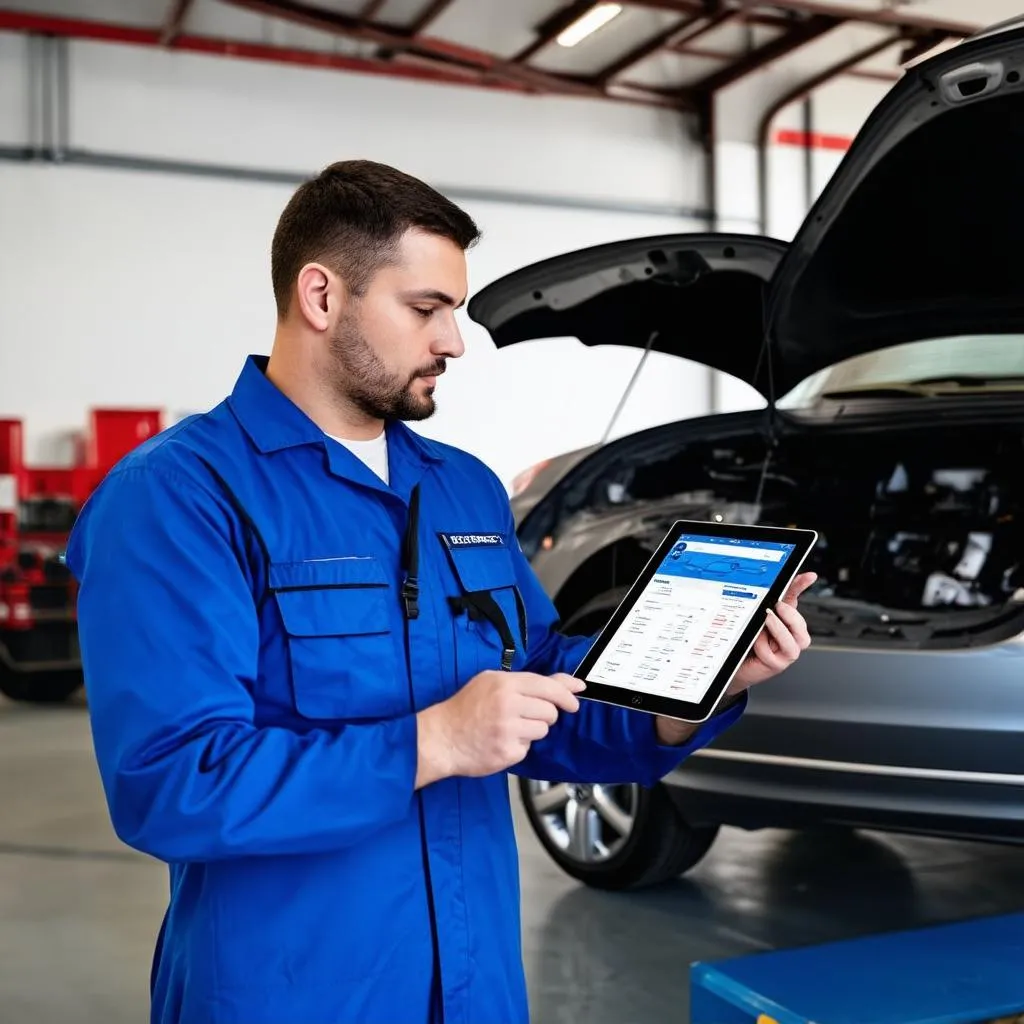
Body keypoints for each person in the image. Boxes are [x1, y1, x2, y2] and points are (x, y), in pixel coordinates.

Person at [66, 160, 815, 1024]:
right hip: (290, 993)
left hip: (473, 985)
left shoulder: (461, 488)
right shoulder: (178, 496)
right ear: (321, 296)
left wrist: (690, 689)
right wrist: (434, 742)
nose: (454, 342)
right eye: (427, 309)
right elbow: (173, 783)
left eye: (453, 311)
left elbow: (535, 680)